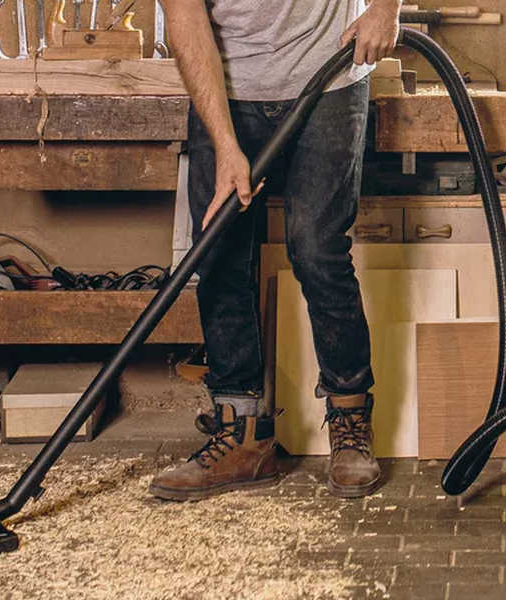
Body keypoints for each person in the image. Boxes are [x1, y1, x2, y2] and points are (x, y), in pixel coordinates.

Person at [150, 0, 403, 501]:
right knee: (218, 251)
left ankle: (350, 423)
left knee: (316, 247)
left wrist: (385, 9)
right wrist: (225, 143)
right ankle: (243, 438)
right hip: (230, 87)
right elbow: (185, 20)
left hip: (330, 73)